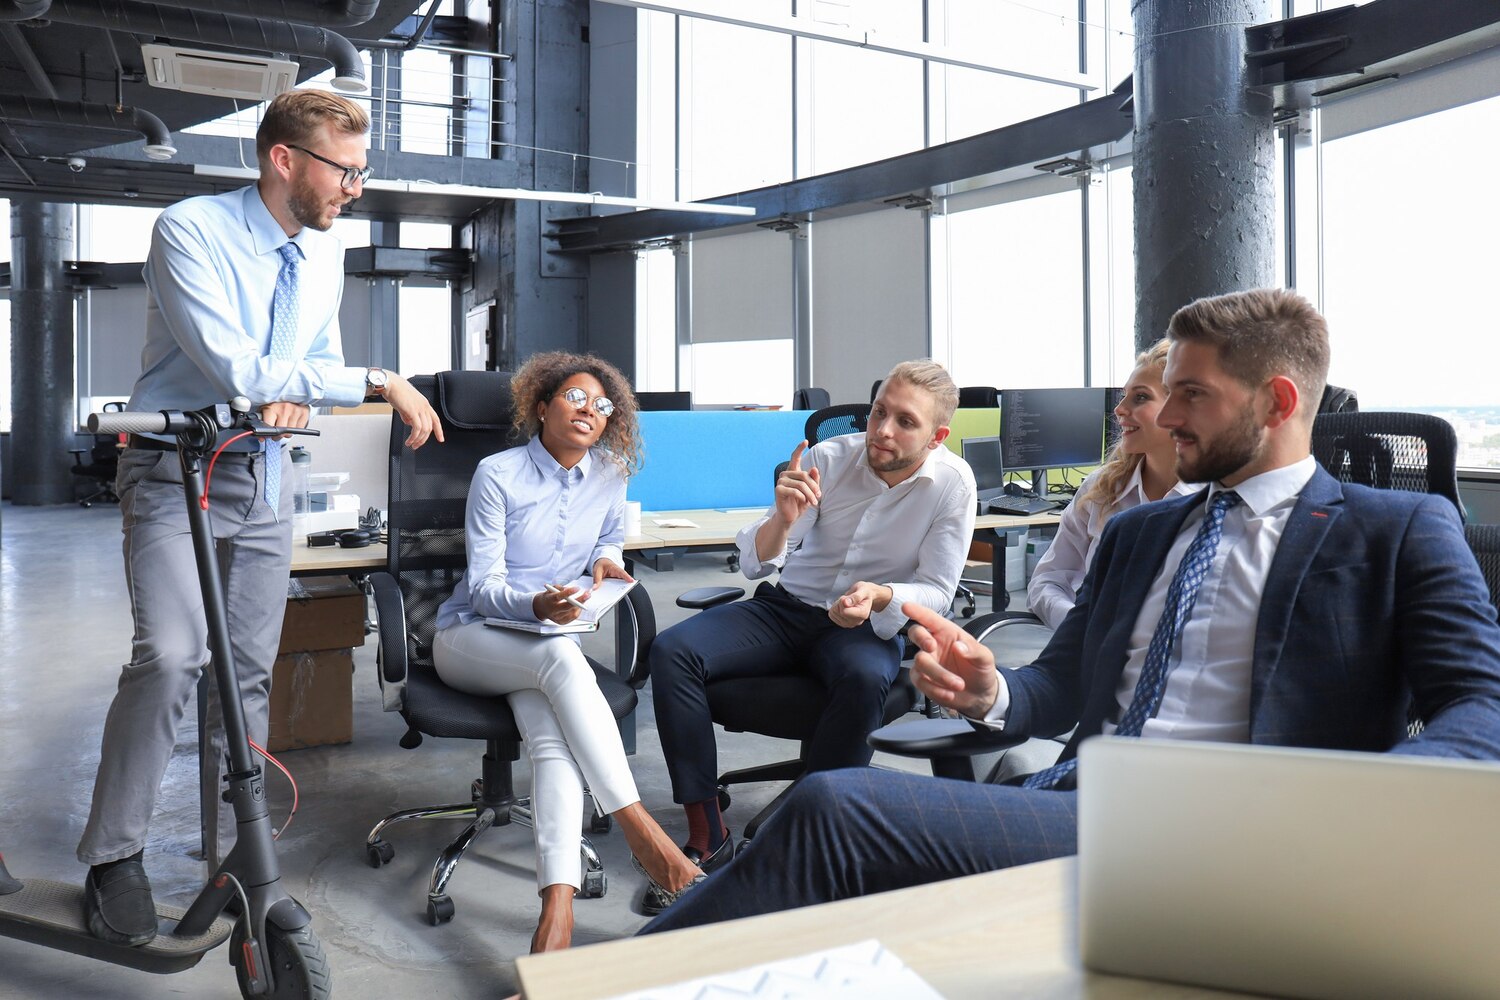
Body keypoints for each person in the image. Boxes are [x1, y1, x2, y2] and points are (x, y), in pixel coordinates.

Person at [640, 287, 1500, 933]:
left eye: (1190, 395)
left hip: (1247, 830)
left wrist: (1355, 810)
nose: (1162, 416)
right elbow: (1058, 686)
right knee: (830, 839)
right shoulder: (1143, 533)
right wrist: (992, 694)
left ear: (1277, 402)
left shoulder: (1398, 529)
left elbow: (1482, 710)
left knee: (834, 809)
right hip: (1091, 800)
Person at [78, 90, 443, 947]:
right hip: (175, 469)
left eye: (362, 171)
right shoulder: (191, 230)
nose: (355, 188)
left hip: (267, 474)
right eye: (345, 170)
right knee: (170, 658)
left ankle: (232, 854)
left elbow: (303, 364)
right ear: (286, 160)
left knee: (243, 674)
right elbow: (236, 362)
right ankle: (114, 855)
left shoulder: (322, 255)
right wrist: (378, 379)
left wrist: (299, 390)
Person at [645, 360, 977, 913]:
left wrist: (881, 596)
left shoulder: (951, 484)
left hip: (866, 621)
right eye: (878, 413)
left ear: (937, 436)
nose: (882, 430)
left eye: (904, 422)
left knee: (866, 676)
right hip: (786, 608)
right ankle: (708, 836)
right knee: (672, 651)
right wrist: (782, 515)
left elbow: (939, 590)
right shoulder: (828, 458)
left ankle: (819, 838)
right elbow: (754, 561)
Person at [431, 352, 705, 953]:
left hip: (544, 644)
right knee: (560, 657)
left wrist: (609, 561)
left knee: (553, 743)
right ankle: (640, 829)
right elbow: (482, 587)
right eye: (576, 398)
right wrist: (536, 608)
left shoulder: (611, 473)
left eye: (603, 405)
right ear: (541, 407)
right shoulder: (497, 474)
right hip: (472, 637)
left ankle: (557, 910)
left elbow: (607, 538)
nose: (591, 411)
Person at [1027, 338, 1198, 629]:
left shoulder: (1218, 500)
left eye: (1140, 397)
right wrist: (1077, 627)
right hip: (1092, 661)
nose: (1119, 409)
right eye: (1123, 396)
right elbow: (1047, 580)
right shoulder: (1101, 489)